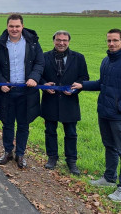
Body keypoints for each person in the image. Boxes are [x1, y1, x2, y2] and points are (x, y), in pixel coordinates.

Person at [72, 29, 121, 202]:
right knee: (109, 146)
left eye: (115, 40)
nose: (111, 44)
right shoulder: (107, 60)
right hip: (104, 112)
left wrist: (120, 107)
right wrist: (82, 85)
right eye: (108, 41)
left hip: (120, 116)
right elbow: (102, 84)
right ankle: (109, 178)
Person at [0, 14, 44, 169]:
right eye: (11, 26)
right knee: (7, 123)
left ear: (22, 26)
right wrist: (1, 81)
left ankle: (20, 154)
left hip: (26, 91)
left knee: (23, 124)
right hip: (7, 92)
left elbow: (39, 62)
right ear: (7, 27)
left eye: (17, 26)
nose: (14, 29)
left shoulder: (33, 43)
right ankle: (8, 152)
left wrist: (34, 77)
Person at [39, 30, 89, 175]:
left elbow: (84, 77)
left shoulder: (78, 58)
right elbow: (39, 76)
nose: (61, 43)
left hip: (70, 101)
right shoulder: (44, 57)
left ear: (69, 41)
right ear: (53, 41)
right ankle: (52, 157)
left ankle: (71, 161)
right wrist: (44, 85)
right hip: (50, 100)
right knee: (50, 131)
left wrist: (75, 88)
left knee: (71, 133)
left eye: (64, 40)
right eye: (58, 40)